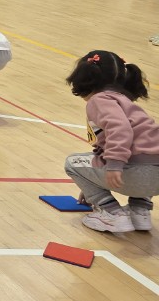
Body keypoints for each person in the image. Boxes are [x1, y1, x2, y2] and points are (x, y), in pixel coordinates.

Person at [63, 51, 159, 234]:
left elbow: (120, 129)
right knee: (146, 154)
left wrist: (114, 165)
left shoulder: (99, 100)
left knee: (72, 163)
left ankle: (112, 214)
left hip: (134, 175)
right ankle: (140, 212)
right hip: (155, 179)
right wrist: (92, 181)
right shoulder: (126, 102)